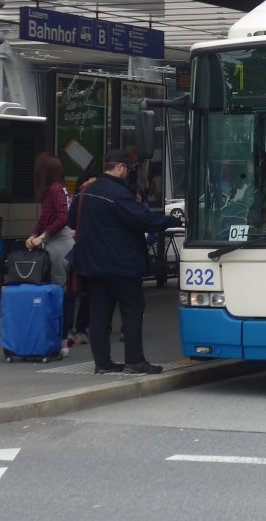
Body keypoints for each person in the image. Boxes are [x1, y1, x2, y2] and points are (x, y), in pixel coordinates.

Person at [67, 148, 174, 374]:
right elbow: (144, 220)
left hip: (93, 265)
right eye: (127, 169)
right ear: (120, 167)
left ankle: (102, 363)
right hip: (121, 264)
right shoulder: (118, 194)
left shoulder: (87, 191)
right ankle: (134, 361)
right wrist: (173, 221)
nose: (128, 173)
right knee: (133, 309)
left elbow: (72, 220)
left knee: (99, 313)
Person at [25, 153, 76, 357]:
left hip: (58, 248)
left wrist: (41, 236)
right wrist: (34, 235)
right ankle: (61, 339)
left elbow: (61, 218)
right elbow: (48, 217)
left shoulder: (53, 190)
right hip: (62, 245)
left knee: (58, 294)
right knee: (62, 293)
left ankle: (61, 341)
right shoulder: (58, 189)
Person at [66, 170, 99, 346]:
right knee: (78, 291)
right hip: (83, 250)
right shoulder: (79, 199)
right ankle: (75, 329)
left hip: (81, 249)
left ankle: (76, 329)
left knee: (82, 292)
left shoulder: (80, 199)